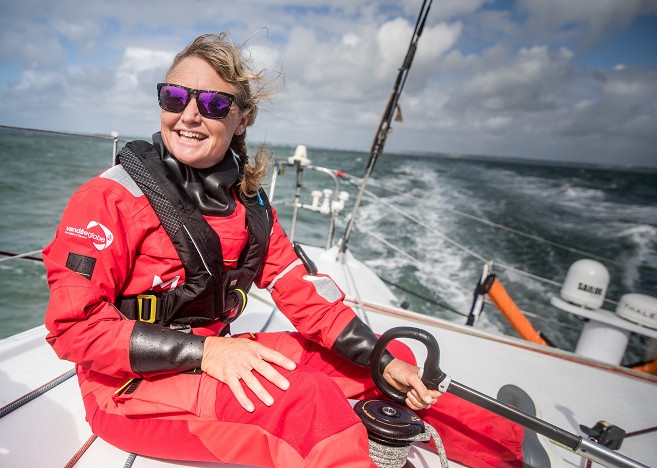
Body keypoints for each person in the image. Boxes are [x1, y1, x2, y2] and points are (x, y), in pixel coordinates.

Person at [44, 32, 523, 467]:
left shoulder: (248, 206)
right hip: (127, 390)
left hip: (215, 355)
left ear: (242, 118)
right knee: (305, 401)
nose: (188, 114)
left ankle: (507, 447)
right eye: (174, 97)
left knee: (383, 357)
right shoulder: (109, 199)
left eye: (212, 102)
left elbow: (303, 293)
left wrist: (380, 356)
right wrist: (204, 351)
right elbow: (73, 327)